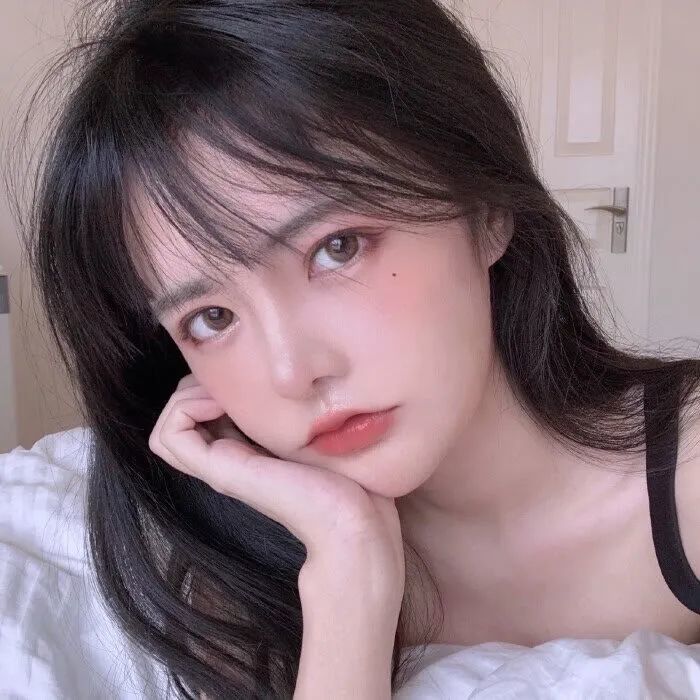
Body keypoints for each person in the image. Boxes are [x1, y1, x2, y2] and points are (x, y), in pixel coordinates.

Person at [8, 0, 700, 697]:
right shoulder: (240, 565)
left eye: (337, 248)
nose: (292, 372)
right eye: (211, 318)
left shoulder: (686, 476)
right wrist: (348, 569)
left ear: (487, 209)